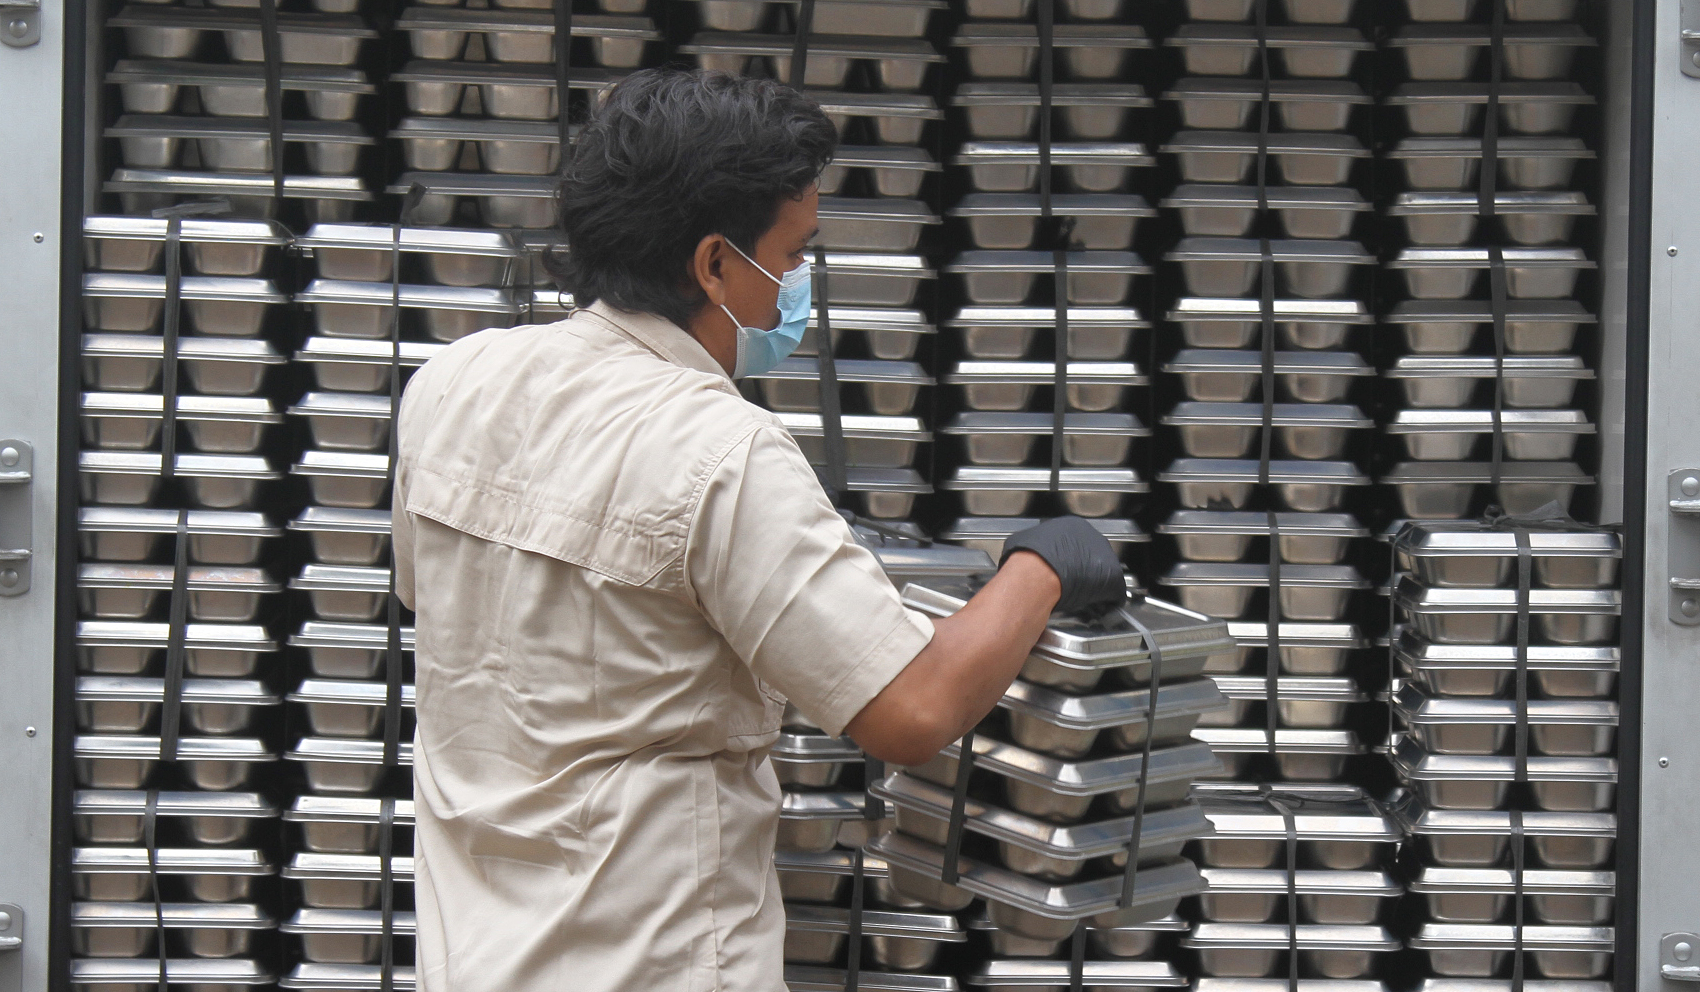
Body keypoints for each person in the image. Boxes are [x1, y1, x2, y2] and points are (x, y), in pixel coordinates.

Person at [392, 67, 1128, 992]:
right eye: (792, 250)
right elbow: (912, 710)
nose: (796, 282)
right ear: (713, 264)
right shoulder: (719, 449)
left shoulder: (454, 384)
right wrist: (1041, 567)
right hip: (650, 965)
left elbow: (441, 603)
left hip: (471, 955)